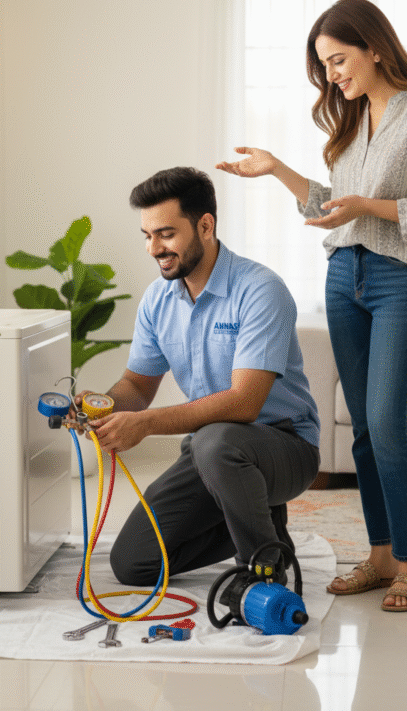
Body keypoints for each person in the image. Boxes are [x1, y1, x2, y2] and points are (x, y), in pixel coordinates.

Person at [216, 0, 407, 612]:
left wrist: (366, 208)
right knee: (361, 429)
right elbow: (333, 206)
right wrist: (277, 169)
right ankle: (381, 556)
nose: (332, 75)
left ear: (375, 46)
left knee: (389, 424)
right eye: (324, 66)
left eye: (338, 59)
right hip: (345, 274)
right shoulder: (353, 120)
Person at [76, 166, 321, 587]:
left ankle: (263, 569)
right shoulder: (159, 298)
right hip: (213, 454)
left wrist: (146, 425)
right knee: (133, 563)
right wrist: (104, 406)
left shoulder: (261, 290)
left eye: (166, 234)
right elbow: (138, 385)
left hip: (283, 446)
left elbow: (244, 404)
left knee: (215, 440)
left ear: (205, 225)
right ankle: (263, 522)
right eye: (148, 236)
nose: (154, 248)